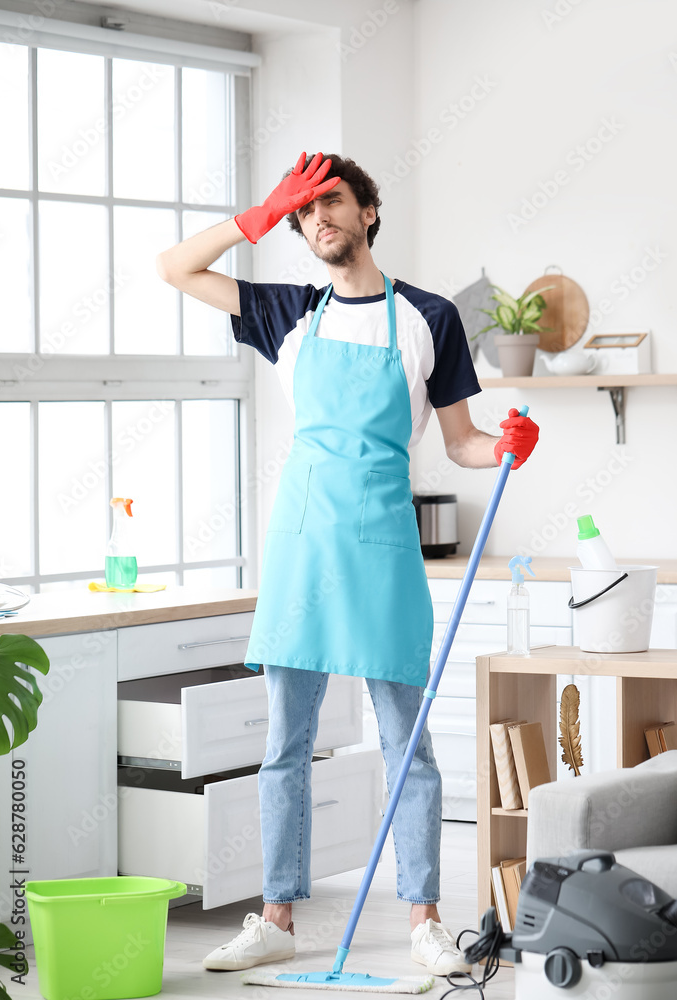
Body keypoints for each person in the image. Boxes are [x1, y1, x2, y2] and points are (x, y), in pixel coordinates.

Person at [156, 152, 539, 977]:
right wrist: (258, 214)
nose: (316, 216)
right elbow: (175, 267)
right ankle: (277, 916)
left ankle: (424, 922)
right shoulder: (286, 311)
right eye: (303, 210)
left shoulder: (428, 318)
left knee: (409, 747)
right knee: (285, 745)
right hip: (301, 548)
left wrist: (503, 448)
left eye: (330, 201)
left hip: (381, 549)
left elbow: (462, 441)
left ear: (368, 213)